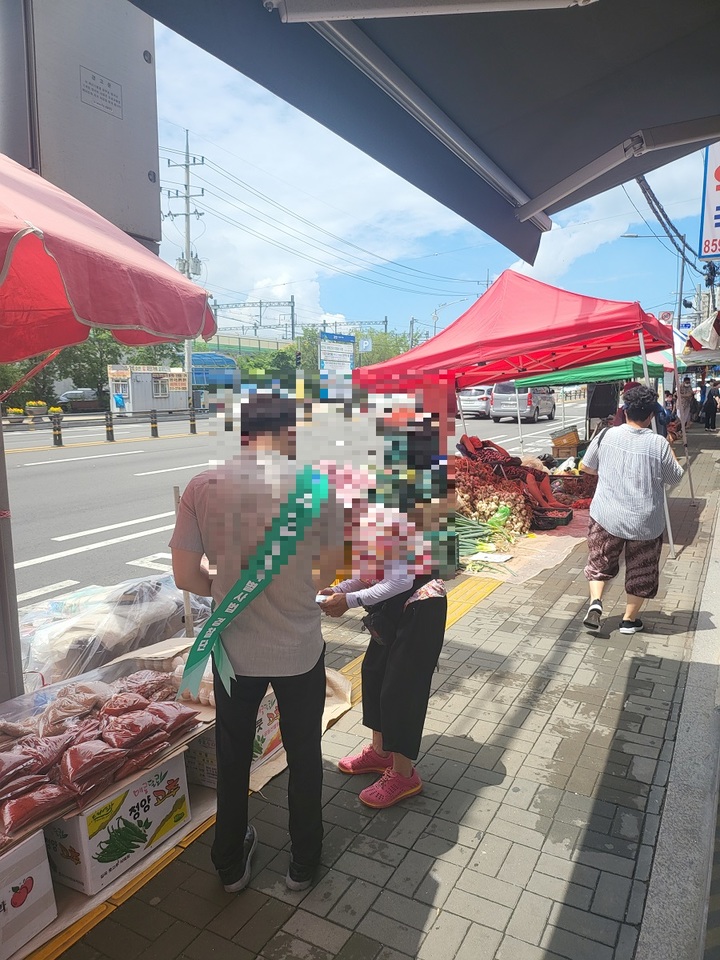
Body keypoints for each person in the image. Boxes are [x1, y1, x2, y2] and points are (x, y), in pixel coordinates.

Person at [170, 392, 344, 894]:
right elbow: (328, 573)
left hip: (235, 657)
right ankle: (304, 863)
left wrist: (224, 589)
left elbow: (185, 574)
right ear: (289, 433)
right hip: (299, 651)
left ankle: (229, 864)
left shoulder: (203, 487)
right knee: (305, 753)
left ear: (242, 433)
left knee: (232, 756)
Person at [580, 385, 683, 634]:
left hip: (607, 515)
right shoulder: (658, 444)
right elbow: (675, 477)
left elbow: (586, 467)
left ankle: (596, 603)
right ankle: (628, 620)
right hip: (644, 520)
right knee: (642, 569)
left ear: (624, 410)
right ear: (650, 415)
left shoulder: (605, 435)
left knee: (600, 561)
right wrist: (669, 447)